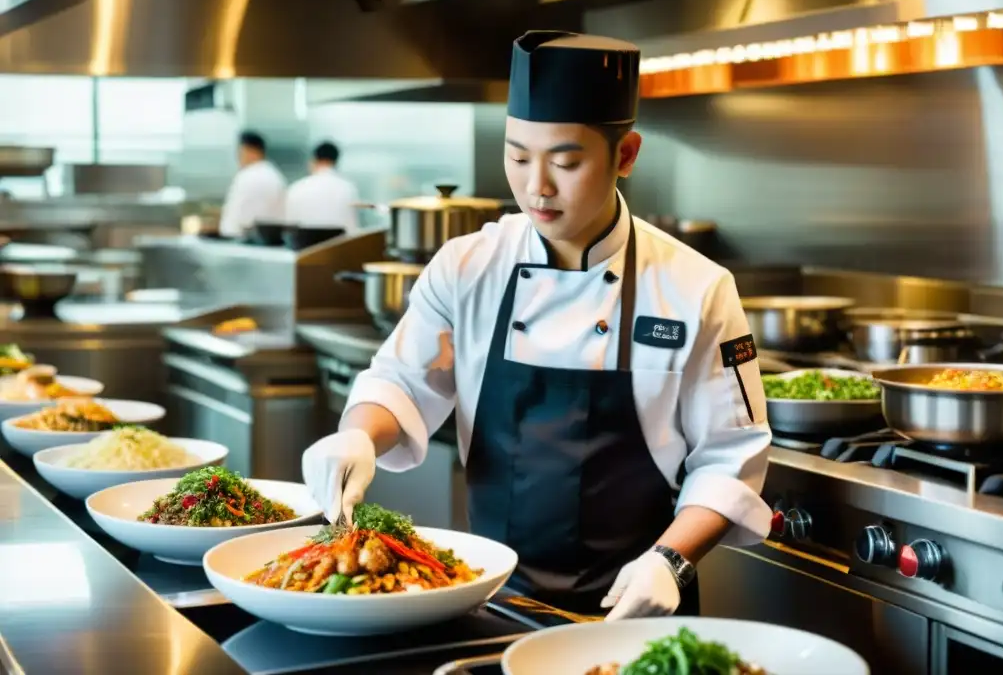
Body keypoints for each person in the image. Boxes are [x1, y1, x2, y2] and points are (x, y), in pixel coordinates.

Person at [302, 30, 772, 619]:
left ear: (625, 155)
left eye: (566, 162)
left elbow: (730, 459)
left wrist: (670, 562)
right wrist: (358, 436)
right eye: (518, 156)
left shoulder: (695, 288)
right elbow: (402, 382)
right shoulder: (468, 267)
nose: (535, 187)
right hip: (490, 603)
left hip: (637, 608)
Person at [218, 130, 287, 239]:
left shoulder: (246, 176)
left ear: (247, 150)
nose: (238, 157)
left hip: (243, 242)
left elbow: (233, 221)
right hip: (271, 242)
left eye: (240, 152)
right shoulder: (276, 176)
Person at [284, 141, 360, 233]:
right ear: (336, 161)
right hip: (340, 245)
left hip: (306, 245)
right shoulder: (349, 189)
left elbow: (289, 228)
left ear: (313, 161)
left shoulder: (296, 188)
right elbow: (352, 228)